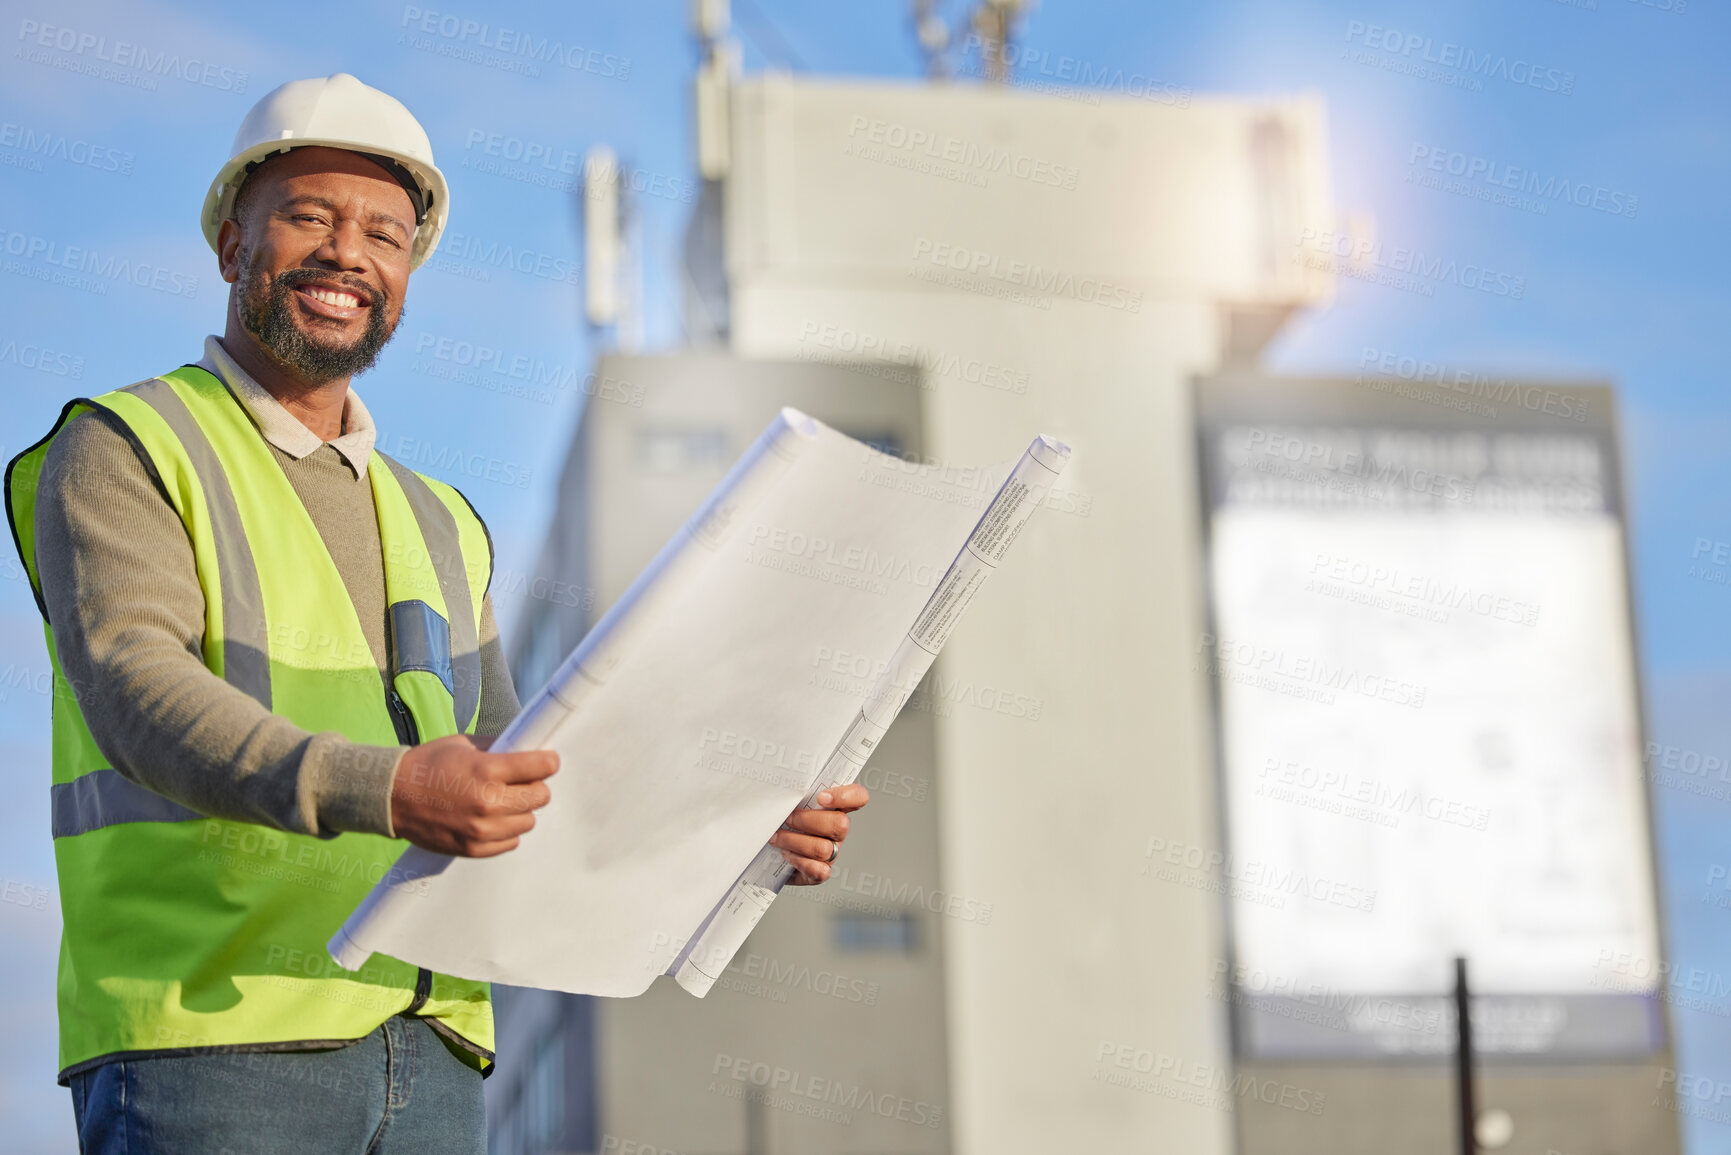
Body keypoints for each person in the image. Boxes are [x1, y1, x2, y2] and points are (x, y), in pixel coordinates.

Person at [5, 73, 868, 1154]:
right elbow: (137, 688)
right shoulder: (129, 446)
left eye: (385, 234)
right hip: (212, 1044)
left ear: (407, 276)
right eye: (309, 215)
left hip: (433, 1054)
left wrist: (728, 833)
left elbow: (533, 776)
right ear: (232, 244)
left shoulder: (441, 521)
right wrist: (395, 788)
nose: (347, 254)